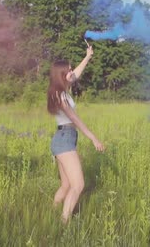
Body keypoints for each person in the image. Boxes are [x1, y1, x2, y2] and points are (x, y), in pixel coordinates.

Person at [47, 42, 104, 223]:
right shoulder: (59, 95)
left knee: (66, 185)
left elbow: (76, 74)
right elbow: (75, 119)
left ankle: (50, 216)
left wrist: (87, 56)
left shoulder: (62, 90)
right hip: (64, 139)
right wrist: (94, 138)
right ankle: (64, 223)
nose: (72, 72)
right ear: (62, 74)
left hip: (64, 139)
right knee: (78, 185)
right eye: (69, 70)